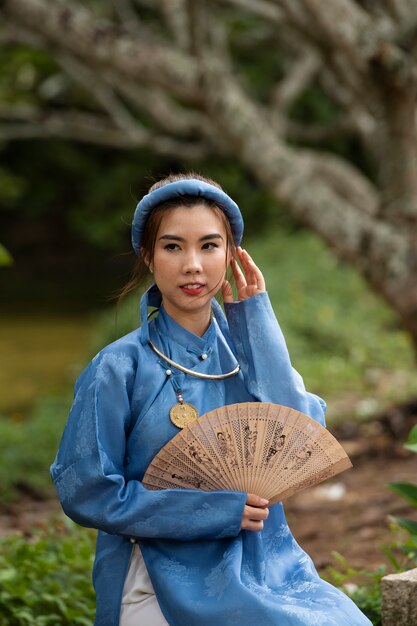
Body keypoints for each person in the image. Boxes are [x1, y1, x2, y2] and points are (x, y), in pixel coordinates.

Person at [51, 173, 372, 626]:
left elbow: (302, 436)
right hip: (157, 571)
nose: (193, 266)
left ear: (232, 254)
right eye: (172, 246)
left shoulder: (249, 353)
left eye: (208, 245)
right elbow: (86, 490)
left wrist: (256, 320)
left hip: (265, 563)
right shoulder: (117, 367)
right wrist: (212, 511)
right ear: (148, 255)